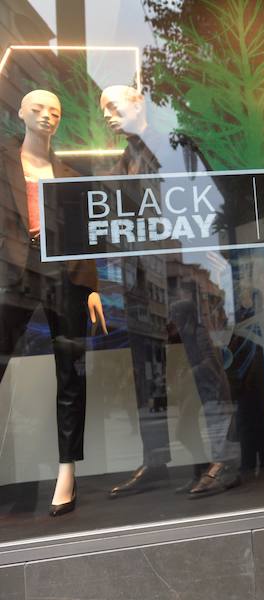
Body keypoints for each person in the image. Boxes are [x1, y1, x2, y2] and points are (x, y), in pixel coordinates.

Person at [98, 85, 240, 498]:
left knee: (204, 362)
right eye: (102, 108)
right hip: (142, 279)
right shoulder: (125, 161)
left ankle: (226, 460)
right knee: (148, 370)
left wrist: (209, 258)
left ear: (138, 103)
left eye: (113, 105)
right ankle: (156, 460)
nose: (107, 114)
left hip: (182, 274)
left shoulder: (176, 146)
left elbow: (213, 202)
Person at [0, 90, 108, 516]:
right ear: (21, 113)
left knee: (70, 374)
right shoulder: (4, 161)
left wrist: (92, 286)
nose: (47, 116)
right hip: (12, 274)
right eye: (38, 109)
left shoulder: (68, 173)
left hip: (65, 276)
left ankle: (67, 471)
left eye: (55, 112)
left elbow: (84, 233)